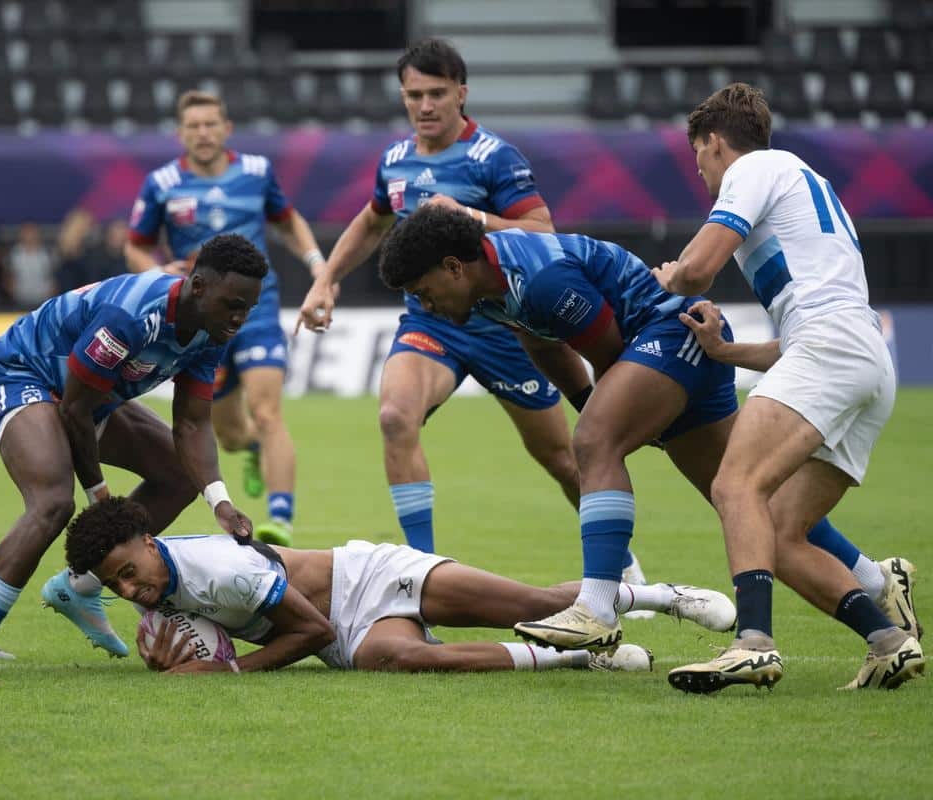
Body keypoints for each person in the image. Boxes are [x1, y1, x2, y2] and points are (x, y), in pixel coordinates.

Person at [375, 205, 920, 689]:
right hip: (671, 347)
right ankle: (882, 614)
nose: (425, 304)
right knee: (758, 513)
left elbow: (611, 351)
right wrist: (596, 400)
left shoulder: (539, 278)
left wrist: (618, 417)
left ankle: (596, 607)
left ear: (453, 267)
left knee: (592, 441)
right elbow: (541, 342)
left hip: (669, 335)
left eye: (425, 292)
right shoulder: (490, 290)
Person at [652, 83, 924, 692]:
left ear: (715, 143)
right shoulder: (806, 184)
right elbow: (806, 332)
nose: (698, 169)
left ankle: (753, 644)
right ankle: (887, 639)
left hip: (832, 348)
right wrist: (727, 352)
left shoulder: (754, 168)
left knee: (734, 482)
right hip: (863, 358)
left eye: (698, 154)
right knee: (776, 529)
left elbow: (696, 269)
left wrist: (671, 276)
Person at [295, 38, 588, 562]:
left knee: (562, 460)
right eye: (414, 95)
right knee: (394, 417)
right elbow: (372, 221)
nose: (424, 106)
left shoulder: (494, 158)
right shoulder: (397, 159)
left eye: (436, 93)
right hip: (433, 325)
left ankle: (622, 561)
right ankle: (423, 570)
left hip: (506, 330)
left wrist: (470, 217)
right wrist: (326, 279)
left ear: (461, 93)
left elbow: (542, 231)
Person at [0, 234, 264, 680]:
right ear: (199, 285)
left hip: (91, 394)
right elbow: (73, 408)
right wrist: (99, 495)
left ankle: (81, 586)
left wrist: (219, 500)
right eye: (233, 304)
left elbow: (192, 424)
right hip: (22, 373)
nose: (239, 318)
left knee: (181, 476)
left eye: (247, 308)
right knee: (53, 502)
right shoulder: (131, 316)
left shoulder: (213, 331)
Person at [63, 497, 742, 674]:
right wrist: (166, 648)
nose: (130, 591)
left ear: (152, 544)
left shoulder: (222, 570)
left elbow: (313, 630)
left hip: (370, 578)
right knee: (409, 658)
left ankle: (661, 597)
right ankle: (572, 654)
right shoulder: (156, 579)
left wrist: (231, 668)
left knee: (532, 603)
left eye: (130, 571)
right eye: (115, 585)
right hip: (342, 633)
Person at [126, 90, 329, 547]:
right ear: (181, 133)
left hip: (256, 313)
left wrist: (317, 263)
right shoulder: (162, 183)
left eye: (210, 124)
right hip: (199, 324)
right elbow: (134, 246)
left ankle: (281, 522)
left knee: (268, 410)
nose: (202, 133)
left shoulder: (256, 173)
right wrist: (159, 271)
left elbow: (289, 220)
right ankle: (252, 450)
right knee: (233, 434)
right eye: (193, 126)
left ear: (226, 128)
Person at [4, 222, 56, 308]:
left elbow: (54, 277)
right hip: (19, 301)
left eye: (32, 232)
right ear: (21, 234)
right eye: (27, 233)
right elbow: (7, 276)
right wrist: (12, 293)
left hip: (42, 301)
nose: (30, 236)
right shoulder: (14, 254)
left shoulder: (47, 253)